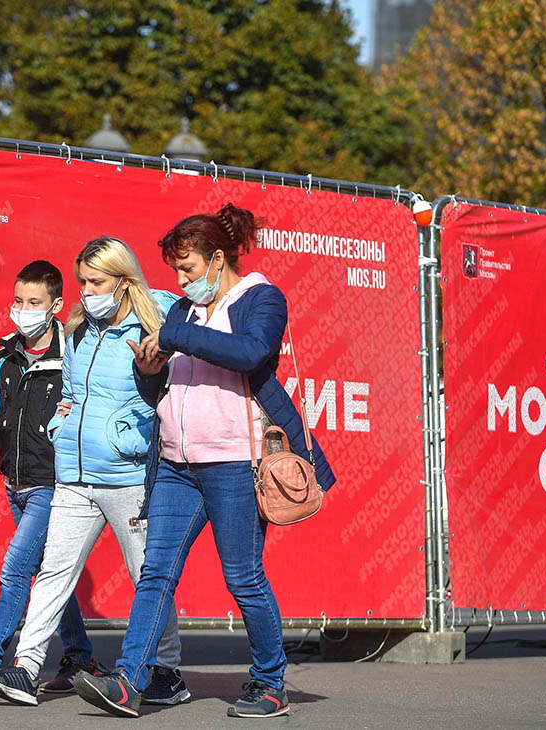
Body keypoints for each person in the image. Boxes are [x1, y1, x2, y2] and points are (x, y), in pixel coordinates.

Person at [72, 204, 336, 719]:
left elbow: (251, 352)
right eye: (175, 270)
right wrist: (148, 370)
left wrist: (174, 337)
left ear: (218, 259)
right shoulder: (182, 312)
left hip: (237, 463)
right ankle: (130, 681)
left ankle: (270, 682)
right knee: (156, 573)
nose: (180, 280)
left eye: (188, 268)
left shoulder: (261, 297)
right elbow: (160, 388)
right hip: (175, 463)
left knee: (242, 577)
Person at [0, 237, 188, 707]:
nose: (88, 291)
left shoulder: (156, 320)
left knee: (146, 577)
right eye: (84, 282)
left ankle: (167, 670)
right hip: (74, 475)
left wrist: (132, 434)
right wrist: (62, 428)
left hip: (129, 476)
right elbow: (70, 394)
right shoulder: (77, 331)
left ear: (122, 279)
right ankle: (26, 669)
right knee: (53, 572)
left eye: (98, 281)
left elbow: (173, 391)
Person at [0, 260, 102, 694]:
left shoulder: (71, 354)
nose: (23, 309)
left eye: (34, 302)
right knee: (51, 573)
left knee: (16, 568)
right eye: (18, 301)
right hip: (13, 486)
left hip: (51, 485)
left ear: (55, 305)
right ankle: (79, 656)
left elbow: (88, 407)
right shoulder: (3, 359)